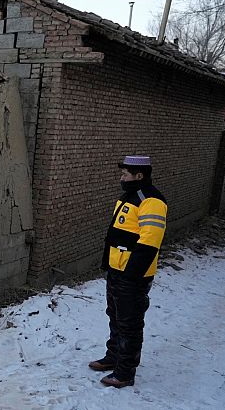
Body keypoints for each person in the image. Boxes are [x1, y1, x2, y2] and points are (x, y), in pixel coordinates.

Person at [89, 155, 167, 388]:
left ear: (139, 175)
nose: (121, 178)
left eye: (125, 174)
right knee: (114, 316)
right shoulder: (129, 197)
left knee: (130, 323)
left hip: (132, 276)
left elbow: (149, 243)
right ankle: (113, 356)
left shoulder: (151, 201)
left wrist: (131, 275)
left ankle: (125, 372)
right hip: (117, 270)